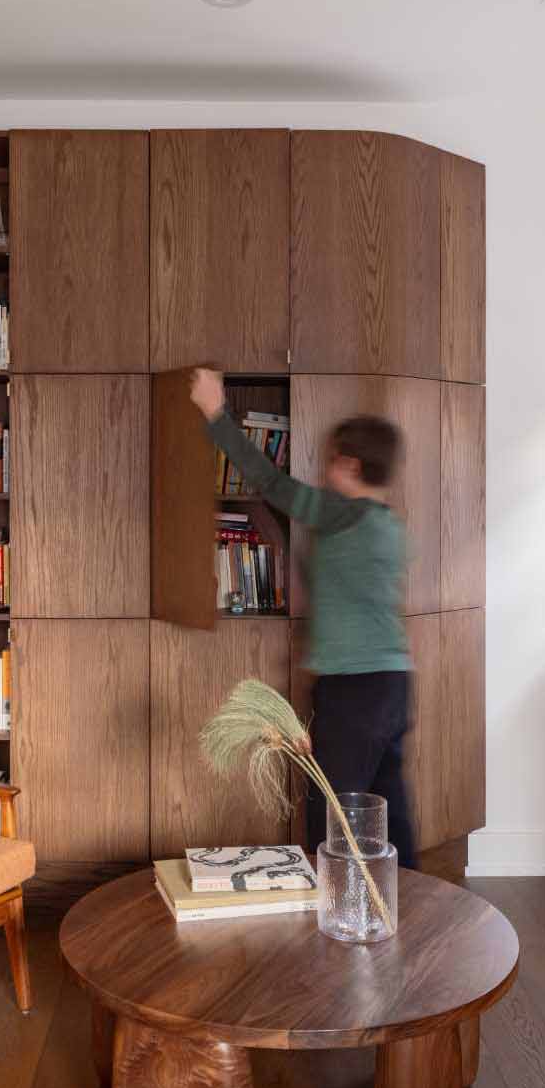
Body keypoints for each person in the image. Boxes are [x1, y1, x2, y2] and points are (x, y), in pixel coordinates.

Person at [188, 366, 416, 868]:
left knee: (329, 809)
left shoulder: (341, 514)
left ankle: (329, 912)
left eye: (332, 462)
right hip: (394, 683)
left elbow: (269, 481)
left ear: (351, 466)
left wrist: (214, 412)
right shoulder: (388, 525)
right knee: (389, 809)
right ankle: (413, 910)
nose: (325, 471)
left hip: (353, 689)